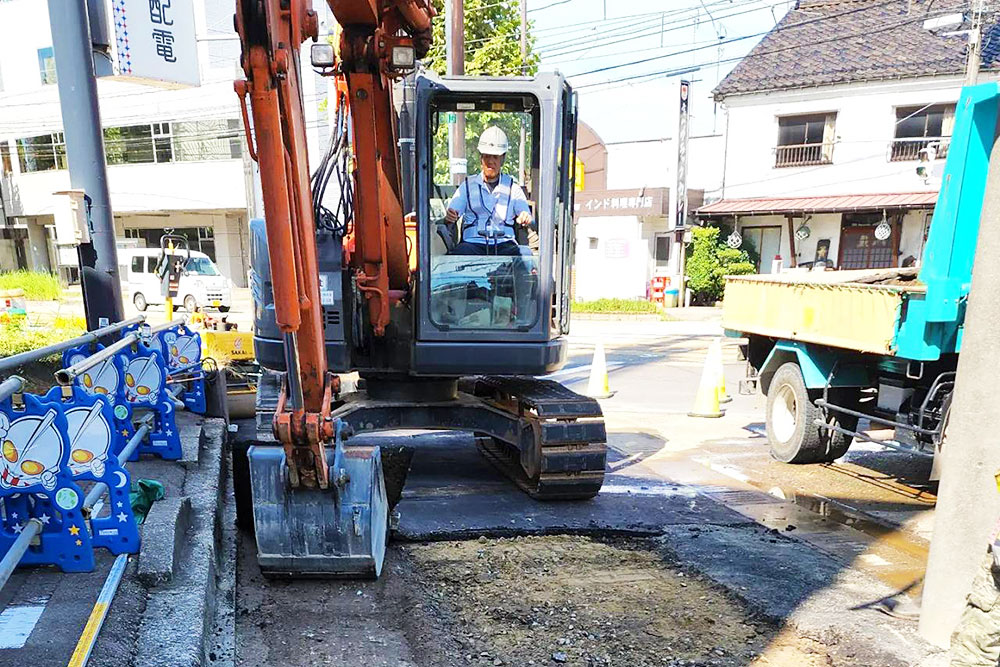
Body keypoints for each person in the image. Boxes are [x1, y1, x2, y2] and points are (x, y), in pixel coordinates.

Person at [444, 126, 533, 255]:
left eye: (495, 157)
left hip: (505, 244)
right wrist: (450, 216)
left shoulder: (513, 188)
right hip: (472, 244)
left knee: (524, 255)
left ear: (503, 159)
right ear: (481, 158)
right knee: (458, 253)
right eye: (487, 156)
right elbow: (452, 212)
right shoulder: (467, 186)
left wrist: (525, 216)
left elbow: (524, 212)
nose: (490, 161)